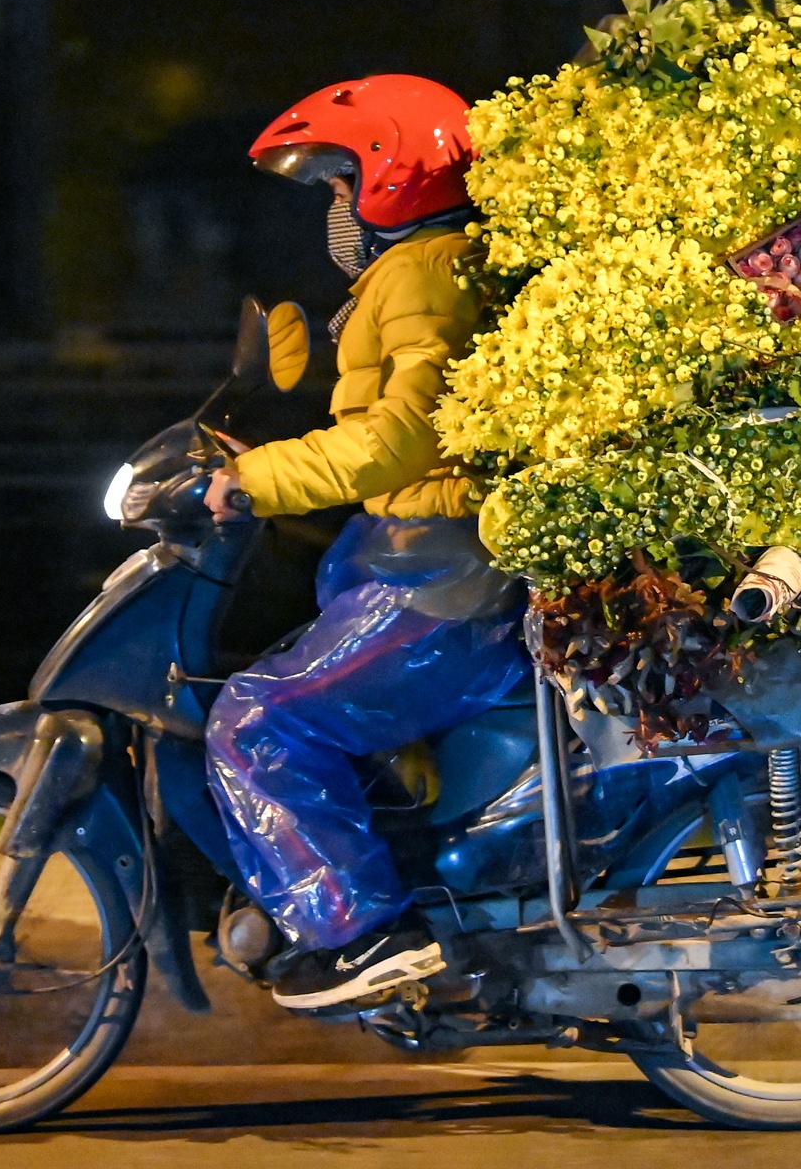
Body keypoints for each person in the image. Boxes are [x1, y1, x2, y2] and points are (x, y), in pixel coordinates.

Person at [202, 75, 528, 1010]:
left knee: (256, 720)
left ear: (395, 172)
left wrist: (261, 479)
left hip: (444, 578)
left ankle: (362, 933)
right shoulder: (419, 270)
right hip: (423, 557)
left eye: (341, 183)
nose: (335, 208)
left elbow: (404, 437)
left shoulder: (428, 271)